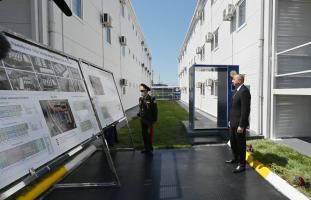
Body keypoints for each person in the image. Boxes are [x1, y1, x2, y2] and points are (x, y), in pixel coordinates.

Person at [226, 74, 251, 173]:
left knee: (240, 145)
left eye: (233, 79)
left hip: (239, 124)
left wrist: (241, 125)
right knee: (233, 142)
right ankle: (235, 158)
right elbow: (235, 108)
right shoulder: (237, 91)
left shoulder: (244, 91)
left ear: (239, 81)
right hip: (233, 122)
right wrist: (230, 121)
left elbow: (245, 110)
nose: (232, 81)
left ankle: (241, 165)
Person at [137, 83, 158, 155]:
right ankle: (146, 148)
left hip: (149, 120)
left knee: (149, 135)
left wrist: (154, 119)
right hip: (142, 119)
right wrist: (139, 114)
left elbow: (155, 110)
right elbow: (141, 108)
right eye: (141, 91)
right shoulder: (140, 99)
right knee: (144, 134)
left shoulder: (152, 99)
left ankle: (150, 148)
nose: (142, 92)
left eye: (143, 91)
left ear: (146, 91)